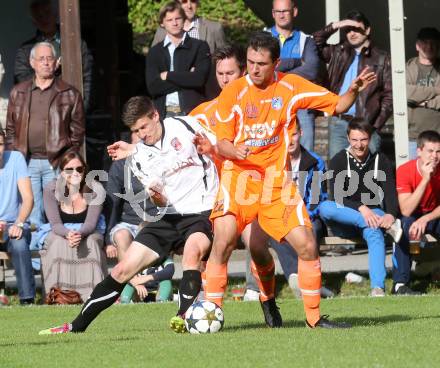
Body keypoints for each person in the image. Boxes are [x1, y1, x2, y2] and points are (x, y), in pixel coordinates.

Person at [202, 31, 375, 329]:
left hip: (275, 183)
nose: (253, 69)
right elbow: (222, 144)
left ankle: (313, 318)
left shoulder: (290, 86)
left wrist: (355, 89)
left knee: (307, 245)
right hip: (238, 179)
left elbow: (339, 106)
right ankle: (211, 315)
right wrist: (235, 149)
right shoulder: (233, 92)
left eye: (261, 63)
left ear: (276, 63)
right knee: (225, 240)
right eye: (250, 62)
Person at [39, 95, 218, 334]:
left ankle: (182, 317)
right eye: (136, 130)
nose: (142, 134)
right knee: (121, 270)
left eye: (144, 126)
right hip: (167, 216)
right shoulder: (139, 157)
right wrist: (156, 196)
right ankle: (76, 326)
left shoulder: (185, 125)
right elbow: (160, 199)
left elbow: (217, 147)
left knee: (192, 255)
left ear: (156, 115)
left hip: (200, 212)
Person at [6, 42, 85, 250]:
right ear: (32, 63)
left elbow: (78, 132)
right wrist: (14, 160)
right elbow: (11, 130)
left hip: (56, 162)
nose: (46, 63)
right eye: (41, 59)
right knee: (30, 213)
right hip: (27, 162)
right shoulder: (18, 92)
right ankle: (34, 266)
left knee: (56, 212)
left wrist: (67, 159)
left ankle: (55, 259)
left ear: (57, 62)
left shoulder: (70, 93)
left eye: (49, 58)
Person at [245, 122, 331, 300]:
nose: (290, 140)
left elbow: (316, 199)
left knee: (309, 230)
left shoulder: (314, 162)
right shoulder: (270, 162)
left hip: (307, 214)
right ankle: (256, 288)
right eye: (286, 135)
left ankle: (309, 283)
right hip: (275, 213)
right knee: (262, 232)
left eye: (294, 134)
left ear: (301, 133)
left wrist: (298, 218)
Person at [319, 119, 402, 297]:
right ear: (348, 138)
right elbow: (338, 196)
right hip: (346, 220)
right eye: (355, 139)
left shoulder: (380, 159)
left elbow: (389, 192)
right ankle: (377, 223)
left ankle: (378, 288)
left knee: (373, 231)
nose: (359, 145)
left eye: (363, 139)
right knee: (326, 207)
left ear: (370, 139)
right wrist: (362, 209)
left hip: (373, 217)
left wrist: (391, 215)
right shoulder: (338, 160)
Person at [313, 10, 392, 159]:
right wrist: (338, 24)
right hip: (339, 121)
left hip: (366, 125)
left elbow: (389, 96)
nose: (352, 33)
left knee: (368, 174)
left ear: (367, 30)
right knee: (340, 172)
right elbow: (315, 42)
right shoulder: (339, 51)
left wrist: (374, 126)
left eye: (356, 28)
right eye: (348, 30)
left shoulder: (382, 58)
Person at [39, 151, 107, 301]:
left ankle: (94, 296)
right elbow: (55, 223)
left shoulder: (96, 189)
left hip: (88, 230)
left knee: (91, 242)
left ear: (85, 170)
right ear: (62, 172)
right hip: (60, 230)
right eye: (69, 169)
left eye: (79, 169)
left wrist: (79, 234)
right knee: (57, 242)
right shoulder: (51, 189)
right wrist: (68, 234)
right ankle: (57, 295)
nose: (75, 173)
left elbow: (90, 223)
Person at [14, 0, 93, 111]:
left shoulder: (77, 45)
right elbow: (23, 82)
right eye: (39, 16)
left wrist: (81, 111)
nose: (44, 18)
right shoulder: (25, 50)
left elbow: (87, 80)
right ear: (33, 21)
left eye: (47, 12)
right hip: (40, 114)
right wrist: (49, 70)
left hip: (73, 111)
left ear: (56, 14)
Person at [265, 0, 321, 151]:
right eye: (278, 11)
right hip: (270, 103)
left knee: (305, 153)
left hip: (301, 104)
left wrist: (278, 71)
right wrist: (297, 62)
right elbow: (262, 70)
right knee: (270, 152)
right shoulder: (263, 38)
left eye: (285, 11)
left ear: (294, 12)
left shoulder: (306, 40)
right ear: (273, 13)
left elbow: (311, 70)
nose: (281, 15)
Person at [392, 130, 440, 295]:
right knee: (404, 227)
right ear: (419, 151)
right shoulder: (405, 170)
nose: (434, 156)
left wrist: (425, 219)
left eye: (438, 151)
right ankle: (401, 284)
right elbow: (406, 209)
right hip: (410, 215)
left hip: (433, 215)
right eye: (430, 151)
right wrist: (426, 179)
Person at [146, 1, 211, 120]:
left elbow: (199, 79)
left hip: (193, 112)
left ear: (184, 19)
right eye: (169, 20)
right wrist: (187, 77)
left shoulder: (199, 47)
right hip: (164, 113)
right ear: (162, 23)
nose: (174, 23)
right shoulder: (155, 52)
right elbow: (153, 87)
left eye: (178, 18)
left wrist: (168, 75)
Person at [152, 0, 226, 100]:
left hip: (207, 95)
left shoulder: (214, 29)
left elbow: (226, 61)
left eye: (193, 1)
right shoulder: (163, 32)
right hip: (172, 98)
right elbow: (154, 67)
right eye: (184, 1)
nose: (189, 6)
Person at [0, 127, 35, 304]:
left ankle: (27, 300)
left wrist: (19, 223)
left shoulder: (15, 158)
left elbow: (28, 198)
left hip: (14, 224)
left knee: (20, 245)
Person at [406, 27, 440, 158]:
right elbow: (405, 92)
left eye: (433, 43)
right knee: (413, 176)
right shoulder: (407, 68)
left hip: (438, 136)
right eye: (425, 42)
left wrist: (424, 103)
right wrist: (436, 90)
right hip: (412, 137)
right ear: (417, 46)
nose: (429, 46)